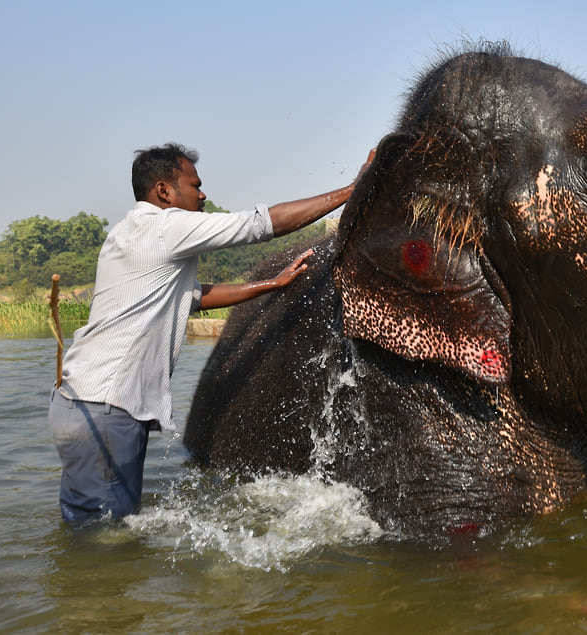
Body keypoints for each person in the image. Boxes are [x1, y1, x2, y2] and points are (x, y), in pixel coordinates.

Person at [49, 142, 371, 525]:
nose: (203, 195)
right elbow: (260, 223)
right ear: (164, 191)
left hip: (77, 403)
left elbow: (194, 296)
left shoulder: (126, 233)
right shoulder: (166, 226)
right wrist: (353, 190)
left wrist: (271, 284)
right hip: (106, 408)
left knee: (88, 525)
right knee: (104, 538)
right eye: (195, 185)